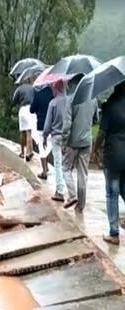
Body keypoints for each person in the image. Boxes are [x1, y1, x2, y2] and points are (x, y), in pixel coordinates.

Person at [94, 82, 125, 245]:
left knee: (112, 194)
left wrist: (95, 149)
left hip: (113, 157)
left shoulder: (110, 105)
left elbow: (101, 133)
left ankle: (114, 233)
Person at [62, 78, 99, 213]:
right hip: (87, 142)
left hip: (73, 142)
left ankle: (72, 195)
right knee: (83, 174)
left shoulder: (70, 99)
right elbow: (96, 119)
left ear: (73, 84)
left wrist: (63, 143)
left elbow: (66, 125)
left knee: (65, 169)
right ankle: (81, 206)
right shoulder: (93, 99)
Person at [43, 80, 68, 202]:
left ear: (56, 89)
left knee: (58, 163)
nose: (52, 90)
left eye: (53, 88)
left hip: (56, 136)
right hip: (68, 137)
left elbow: (48, 124)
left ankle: (60, 191)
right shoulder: (70, 101)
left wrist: (44, 136)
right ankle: (71, 192)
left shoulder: (53, 103)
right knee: (66, 165)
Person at [30, 85, 54, 179]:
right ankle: (47, 167)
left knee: (42, 147)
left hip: (41, 125)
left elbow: (32, 110)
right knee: (48, 146)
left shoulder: (38, 95)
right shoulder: (53, 95)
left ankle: (44, 171)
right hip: (52, 125)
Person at [13, 80, 36, 161]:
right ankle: (29, 152)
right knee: (29, 131)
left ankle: (22, 152)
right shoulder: (33, 88)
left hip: (22, 109)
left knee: (22, 131)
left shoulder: (19, 89)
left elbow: (14, 100)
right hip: (31, 109)